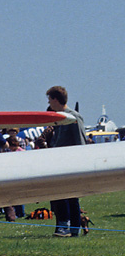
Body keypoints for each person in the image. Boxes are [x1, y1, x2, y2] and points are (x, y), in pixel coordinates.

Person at [45, 85, 85, 236]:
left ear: (56, 99)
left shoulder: (73, 116)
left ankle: (72, 229)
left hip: (71, 162)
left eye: (50, 99)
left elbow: (80, 141)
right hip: (58, 162)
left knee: (71, 197)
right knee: (60, 196)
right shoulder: (58, 117)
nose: (49, 103)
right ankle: (65, 227)